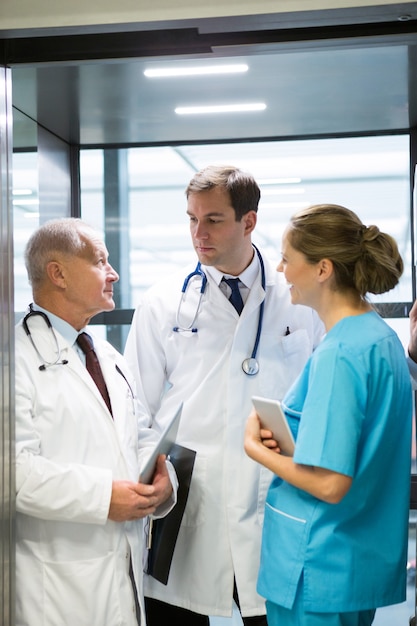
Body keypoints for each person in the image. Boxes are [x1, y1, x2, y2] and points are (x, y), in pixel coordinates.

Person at [124, 165, 324, 625]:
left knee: (271, 613)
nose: (199, 233)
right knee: (181, 610)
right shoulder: (162, 302)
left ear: (249, 221)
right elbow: (138, 406)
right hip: (190, 498)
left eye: (213, 220)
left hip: (274, 493)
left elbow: (320, 394)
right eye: (192, 219)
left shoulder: (298, 298)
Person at [244, 203, 413, 626]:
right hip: (351, 560)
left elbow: (332, 484)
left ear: (322, 269)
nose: (280, 270)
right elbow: (361, 449)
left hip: (317, 562)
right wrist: (290, 440)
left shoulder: (340, 353)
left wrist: (256, 449)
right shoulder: (378, 337)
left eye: (287, 258)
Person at [15, 218, 177, 626]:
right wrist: (103, 497)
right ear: (58, 274)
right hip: (57, 584)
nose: (114, 273)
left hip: (121, 571)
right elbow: (11, 471)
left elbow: (137, 433)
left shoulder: (106, 355)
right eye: (100, 261)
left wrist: (163, 479)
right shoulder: (11, 359)